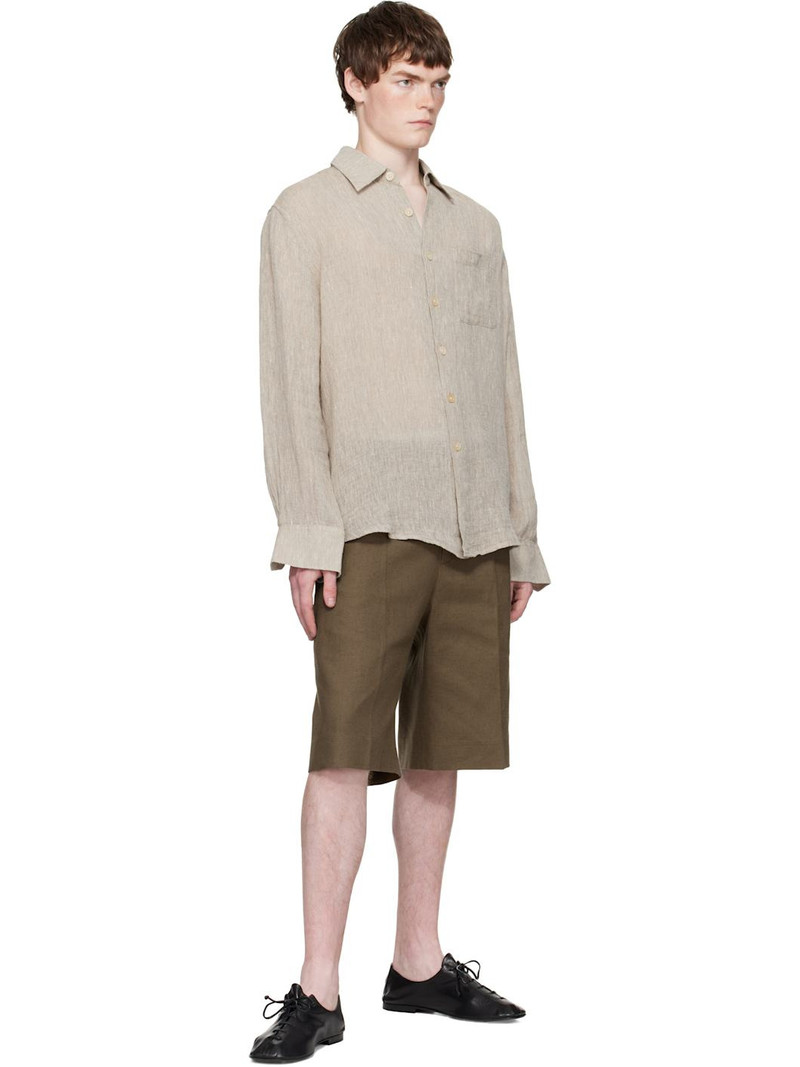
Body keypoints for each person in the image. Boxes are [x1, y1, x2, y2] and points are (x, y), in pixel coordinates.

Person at [251, 2, 551, 1060]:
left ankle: (417, 965)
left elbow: (503, 386)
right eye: (405, 80)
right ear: (354, 82)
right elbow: (289, 382)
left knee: (440, 751)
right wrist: (308, 531)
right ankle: (316, 987)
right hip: (366, 523)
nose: (426, 100)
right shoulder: (305, 214)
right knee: (343, 750)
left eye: (437, 82)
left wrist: (522, 534)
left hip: (475, 526)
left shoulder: (476, 227)